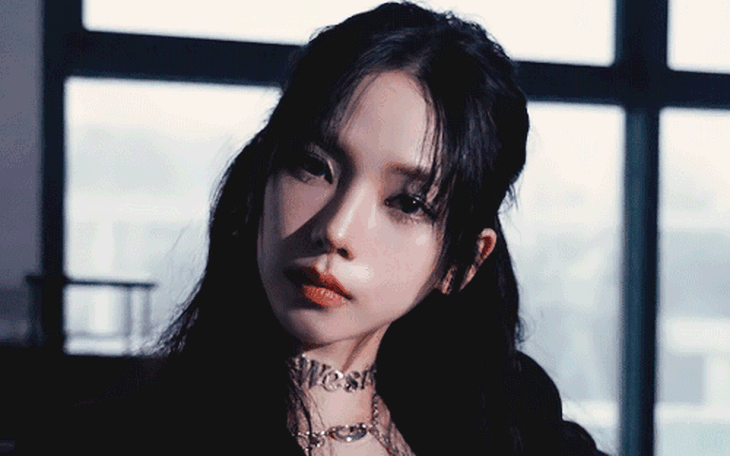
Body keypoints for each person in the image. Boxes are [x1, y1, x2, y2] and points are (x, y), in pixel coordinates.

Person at [20, 2, 606, 455]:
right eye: (314, 166)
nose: (337, 230)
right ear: (263, 176)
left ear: (461, 264)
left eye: (407, 203)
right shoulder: (109, 438)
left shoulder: (515, 423)